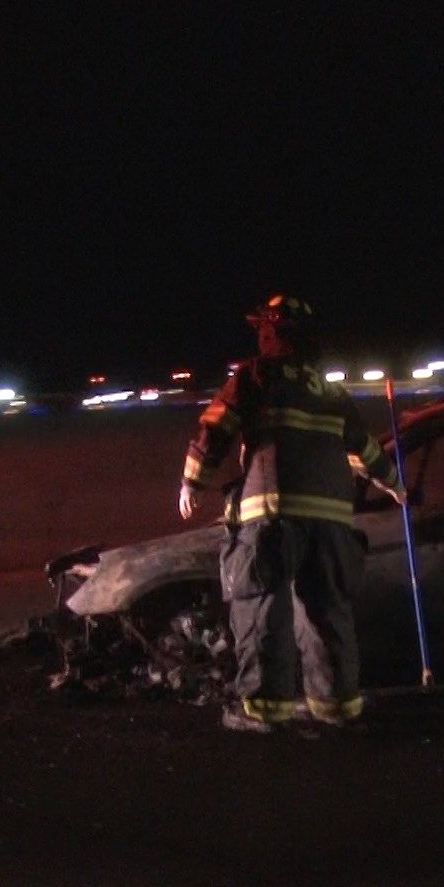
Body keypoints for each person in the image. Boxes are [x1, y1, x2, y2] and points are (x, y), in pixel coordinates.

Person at [179, 294, 405, 733]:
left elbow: (216, 427)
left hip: (273, 515)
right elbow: (367, 450)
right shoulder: (331, 391)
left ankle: (264, 710)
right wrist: (396, 487)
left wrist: (192, 481)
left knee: (262, 609)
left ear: (269, 333)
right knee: (327, 612)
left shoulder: (255, 375)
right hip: (333, 523)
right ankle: (336, 707)